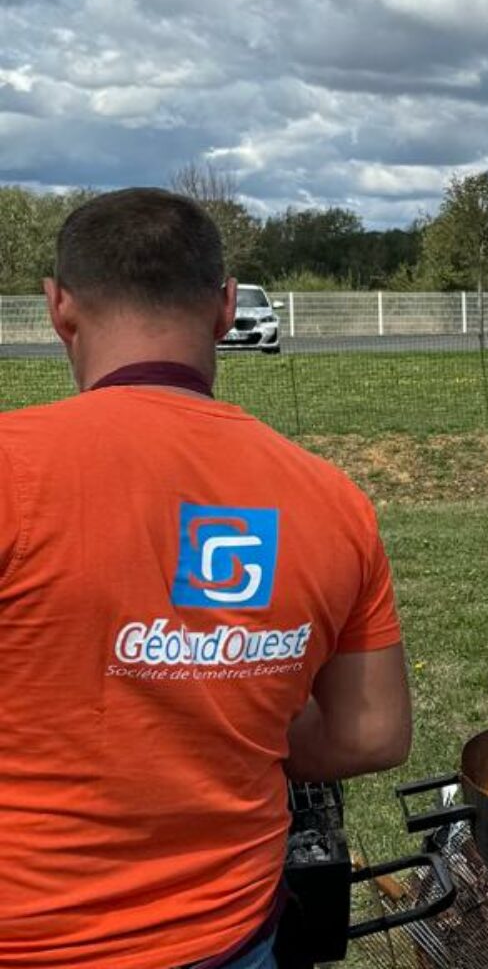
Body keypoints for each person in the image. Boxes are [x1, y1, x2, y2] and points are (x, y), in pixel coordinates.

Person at [0, 188, 410, 969]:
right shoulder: (331, 500)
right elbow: (372, 731)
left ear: (58, 307)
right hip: (225, 934)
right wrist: (229, 715)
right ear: (225, 307)